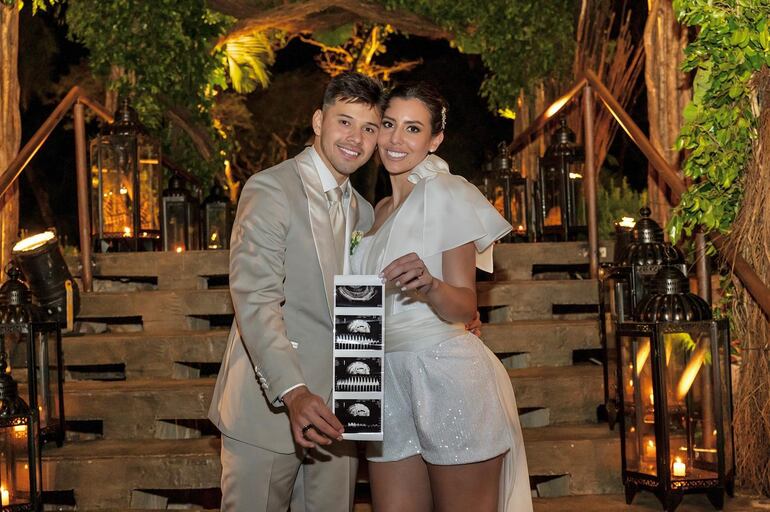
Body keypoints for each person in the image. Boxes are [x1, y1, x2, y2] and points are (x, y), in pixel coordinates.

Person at [350, 82, 533, 512]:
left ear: (435, 140)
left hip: (445, 374)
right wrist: (354, 387)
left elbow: (466, 305)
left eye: (413, 129)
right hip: (381, 381)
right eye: (389, 124)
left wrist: (431, 285)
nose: (396, 139)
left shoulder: (447, 192)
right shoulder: (373, 213)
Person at [208, 72, 383, 512]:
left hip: (340, 415)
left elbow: (360, 314)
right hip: (267, 410)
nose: (356, 138)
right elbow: (256, 299)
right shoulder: (270, 189)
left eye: (369, 128)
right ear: (319, 121)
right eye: (345, 122)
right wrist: (294, 392)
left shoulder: (364, 213)